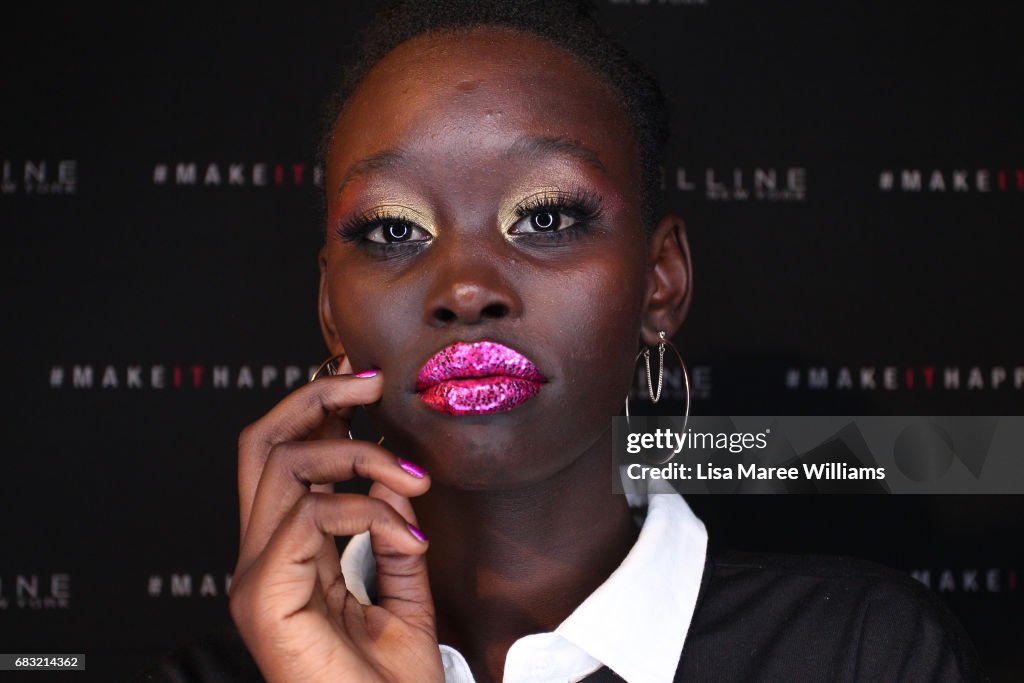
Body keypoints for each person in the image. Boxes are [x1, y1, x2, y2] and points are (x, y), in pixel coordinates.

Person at [137, 1, 983, 681]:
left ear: (662, 282)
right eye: (394, 229)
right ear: (330, 306)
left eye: (545, 218)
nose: (467, 289)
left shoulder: (860, 653)